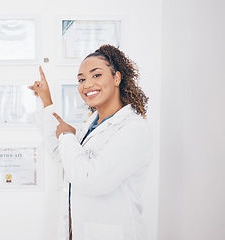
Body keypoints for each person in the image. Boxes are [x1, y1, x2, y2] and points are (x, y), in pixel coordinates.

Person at [29, 44, 152, 240]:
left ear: (117, 78)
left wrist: (68, 136)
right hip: (78, 230)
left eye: (96, 75)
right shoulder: (91, 125)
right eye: (81, 79)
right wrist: (46, 100)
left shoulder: (132, 129)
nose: (87, 84)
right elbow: (61, 154)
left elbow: (90, 181)